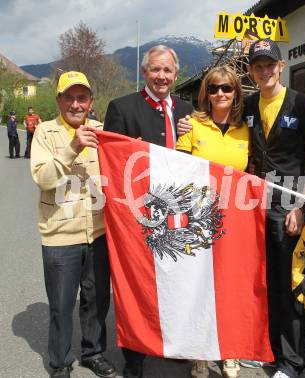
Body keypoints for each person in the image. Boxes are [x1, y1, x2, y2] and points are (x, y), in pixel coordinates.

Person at [178, 39, 305, 378]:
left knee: (291, 285)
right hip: (253, 208)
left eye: (270, 64)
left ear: (280, 66)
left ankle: (292, 362)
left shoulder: (301, 104)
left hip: (290, 205)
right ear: (252, 72)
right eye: (258, 65)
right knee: (262, 282)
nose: (265, 70)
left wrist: (304, 206)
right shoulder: (250, 108)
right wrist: (187, 125)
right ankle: (269, 350)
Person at [104, 45, 193, 378]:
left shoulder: (187, 109)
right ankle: (135, 356)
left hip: (178, 214)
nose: (162, 76)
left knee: (177, 283)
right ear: (145, 72)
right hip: (137, 215)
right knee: (138, 287)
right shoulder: (122, 107)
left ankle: (175, 344)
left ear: (175, 74)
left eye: (168, 70)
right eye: (155, 70)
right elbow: (111, 165)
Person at [30, 71, 116, 378]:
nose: (76, 104)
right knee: (61, 306)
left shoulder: (102, 132)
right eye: (69, 97)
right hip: (59, 237)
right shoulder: (45, 132)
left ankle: (93, 352)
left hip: (98, 233)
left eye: (82, 97)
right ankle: (61, 361)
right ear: (59, 100)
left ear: (91, 102)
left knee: (96, 301)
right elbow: (43, 179)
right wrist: (72, 148)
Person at [176, 65, 248, 378]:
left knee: (231, 285)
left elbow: (254, 172)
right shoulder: (191, 124)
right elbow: (177, 169)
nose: (220, 93)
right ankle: (199, 353)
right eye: (214, 88)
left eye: (227, 88)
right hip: (198, 217)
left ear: (236, 93)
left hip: (236, 219)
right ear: (206, 92)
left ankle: (230, 350)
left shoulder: (247, 128)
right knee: (198, 285)